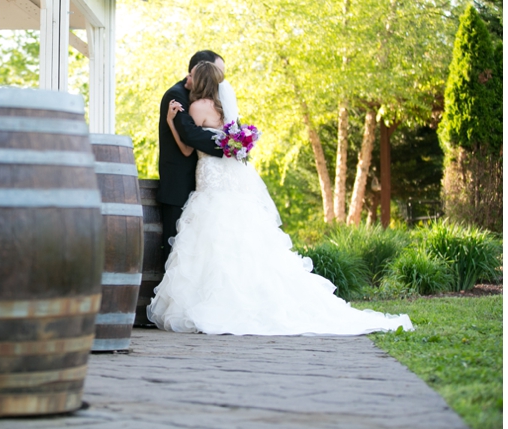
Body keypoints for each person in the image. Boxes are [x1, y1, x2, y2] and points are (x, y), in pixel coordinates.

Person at [147, 61, 413, 335]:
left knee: (212, 239)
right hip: (233, 181)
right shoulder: (226, 110)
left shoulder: (196, 107)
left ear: (200, 80)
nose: (186, 79)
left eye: (192, 75)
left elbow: (189, 148)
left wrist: (170, 121)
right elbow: (230, 145)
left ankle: (217, 302)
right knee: (242, 238)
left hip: (211, 181)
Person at [156, 51, 225, 269]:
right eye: (218, 72)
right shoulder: (176, 96)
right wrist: (228, 144)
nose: (222, 79)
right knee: (176, 249)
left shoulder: (213, 101)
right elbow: (192, 137)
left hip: (206, 185)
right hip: (179, 184)